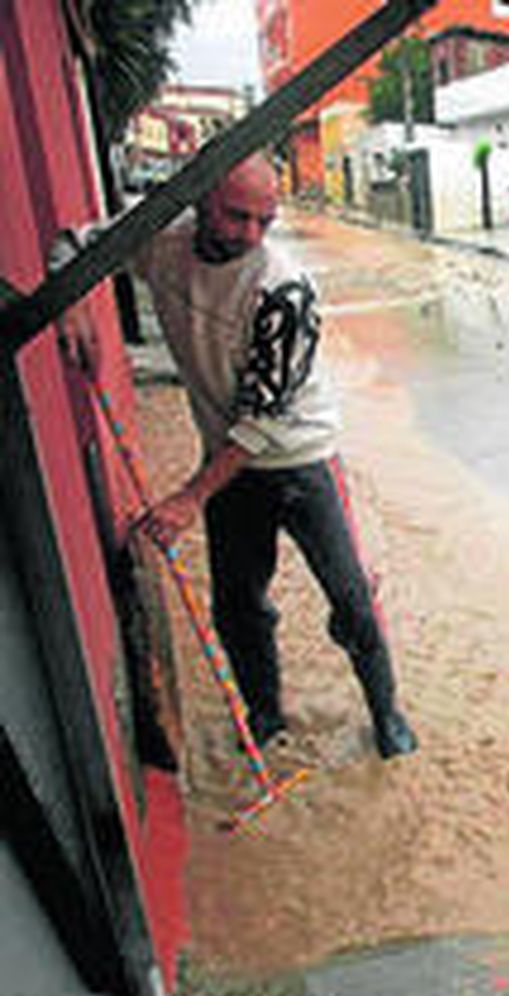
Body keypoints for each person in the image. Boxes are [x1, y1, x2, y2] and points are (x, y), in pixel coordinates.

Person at [55, 154, 418, 759]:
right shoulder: (159, 239)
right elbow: (74, 244)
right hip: (229, 465)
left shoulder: (283, 289)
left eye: (264, 221)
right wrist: (71, 303)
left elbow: (262, 419)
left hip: (301, 457)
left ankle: (387, 714)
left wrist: (190, 497)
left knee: (351, 598)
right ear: (200, 198)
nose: (249, 234)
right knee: (237, 607)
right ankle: (266, 719)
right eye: (235, 215)